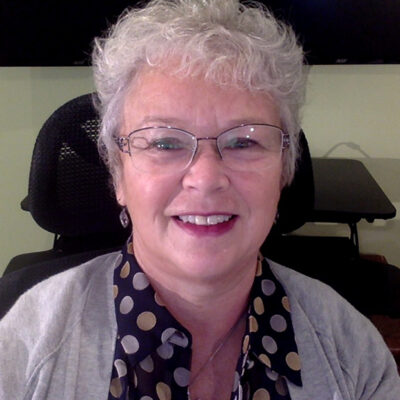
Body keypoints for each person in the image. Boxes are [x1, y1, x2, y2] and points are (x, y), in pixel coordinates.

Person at [0, 0, 399, 399]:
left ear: (285, 169)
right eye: (165, 142)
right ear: (118, 174)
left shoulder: (352, 353)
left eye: (244, 141)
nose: (206, 178)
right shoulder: (24, 350)